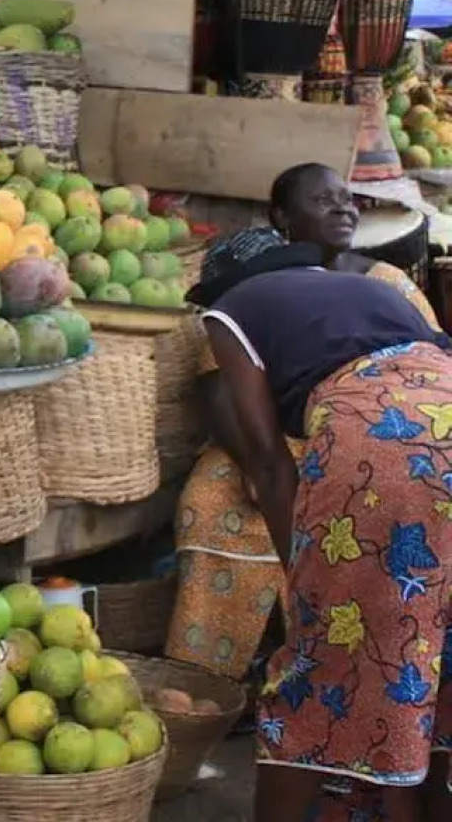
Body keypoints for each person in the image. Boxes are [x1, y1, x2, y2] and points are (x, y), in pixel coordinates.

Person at [192, 173, 452, 821]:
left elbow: (267, 462)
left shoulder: (230, 309)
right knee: (435, 651)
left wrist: (300, 581)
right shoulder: (375, 288)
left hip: (382, 436)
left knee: (324, 657)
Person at [168, 165, 441, 685]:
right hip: (371, 426)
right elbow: (220, 392)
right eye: (322, 200)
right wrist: (257, 462)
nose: (342, 209)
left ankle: (332, 669)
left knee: (353, 525)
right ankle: (214, 679)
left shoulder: (383, 281)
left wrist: (303, 580)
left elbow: (414, 367)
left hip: (361, 432)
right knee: (210, 500)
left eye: (347, 199)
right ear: (282, 219)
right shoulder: (258, 295)